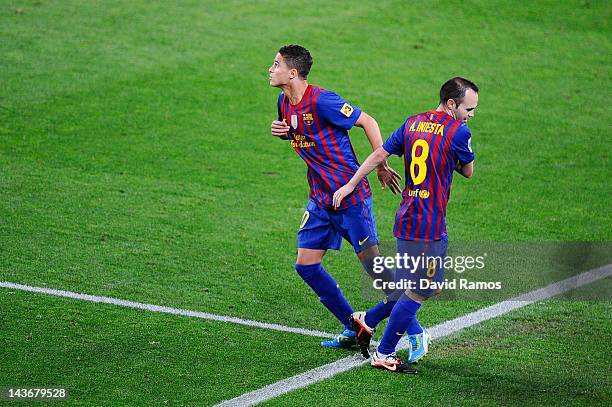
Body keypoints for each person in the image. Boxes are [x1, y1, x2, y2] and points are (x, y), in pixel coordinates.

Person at [333, 77, 478, 373]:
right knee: (424, 287)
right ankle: (385, 352)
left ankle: (367, 321)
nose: (471, 115)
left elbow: (378, 156)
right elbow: (468, 171)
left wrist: (349, 185)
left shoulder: (412, 123)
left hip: (408, 216)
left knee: (410, 286)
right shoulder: (458, 131)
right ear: (452, 104)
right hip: (429, 223)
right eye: (469, 108)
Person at [268, 44, 402, 348]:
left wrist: (382, 165)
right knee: (306, 266)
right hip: (320, 200)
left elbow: (368, 121)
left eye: (276, 64)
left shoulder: (323, 100)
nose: (270, 69)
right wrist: (285, 132)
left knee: (378, 275)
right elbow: (306, 136)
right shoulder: (283, 102)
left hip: (351, 198)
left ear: (292, 73)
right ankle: (355, 329)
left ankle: (416, 330)